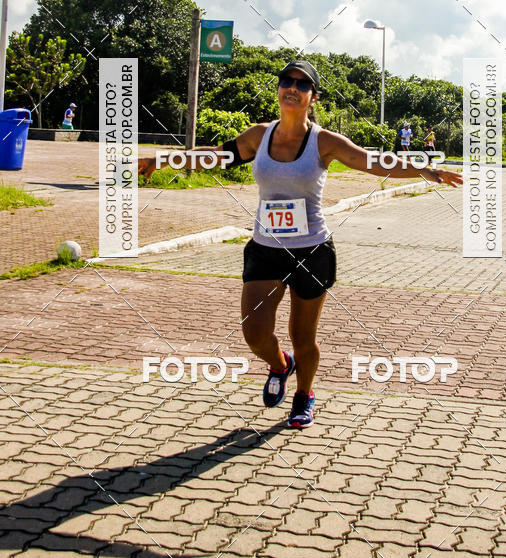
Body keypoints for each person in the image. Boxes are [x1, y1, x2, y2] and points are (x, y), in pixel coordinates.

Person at [138, 62, 462, 429]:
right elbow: (218, 155)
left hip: (312, 251)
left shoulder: (324, 142)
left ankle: (304, 394)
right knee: (254, 332)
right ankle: (280, 364)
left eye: (302, 84)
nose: (292, 88)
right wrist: (162, 159)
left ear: (313, 96)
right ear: (278, 90)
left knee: (303, 335)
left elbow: (373, 162)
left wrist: (425, 170)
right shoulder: (260, 135)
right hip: (265, 249)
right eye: (286, 81)